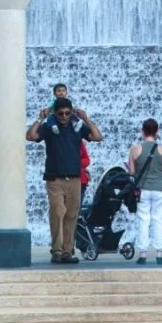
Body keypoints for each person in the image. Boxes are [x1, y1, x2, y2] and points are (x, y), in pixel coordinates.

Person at [26, 96, 102, 263]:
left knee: (72, 215)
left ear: (71, 112)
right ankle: (57, 251)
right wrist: (40, 119)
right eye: (61, 113)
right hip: (55, 179)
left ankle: (68, 252)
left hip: (75, 180)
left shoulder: (78, 127)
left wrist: (86, 119)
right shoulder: (48, 127)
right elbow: (30, 136)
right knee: (57, 212)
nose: (64, 116)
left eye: (67, 113)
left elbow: (97, 137)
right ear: (55, 113)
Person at [126, 118, 162, 265]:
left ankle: (142, 254)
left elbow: (131, 171)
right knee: (159, 219)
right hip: (160, 189)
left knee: (143, 220)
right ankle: (159, 254)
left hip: (142, 189)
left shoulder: (135, 149)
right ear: (157, 132)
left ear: (142, 131)